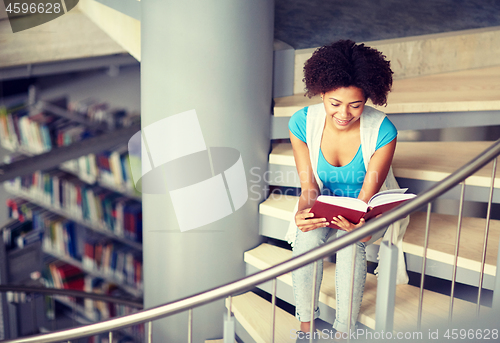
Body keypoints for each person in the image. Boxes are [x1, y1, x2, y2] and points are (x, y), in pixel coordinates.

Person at [285, 39, 410, 338]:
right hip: (325, 201)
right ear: (322, 93)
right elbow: (309, 187)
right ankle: (306, 328)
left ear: (367, 98)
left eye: (356, 105)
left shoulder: (382, 130)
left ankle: (344, 332)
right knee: (306, 238)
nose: (344, 114)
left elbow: (367, 200)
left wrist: (362, 227)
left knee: (350, 240)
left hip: (366, 206)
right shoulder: (301, 123)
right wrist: (303, 212)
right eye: (335, 104)